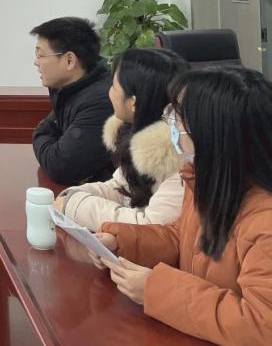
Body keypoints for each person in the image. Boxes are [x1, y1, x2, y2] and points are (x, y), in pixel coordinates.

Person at [93, 66, 272, 345]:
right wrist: (121, 241)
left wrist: (156, 290)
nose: (171, 127)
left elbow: (261, 325)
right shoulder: (205, 180)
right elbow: (182, 238)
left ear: (212, 135)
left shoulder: (264, 220)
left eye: (178, 119)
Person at [53, 48, 188, 230]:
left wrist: (76, 206)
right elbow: (120, 188)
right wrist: (71, 196)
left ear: (133, 102)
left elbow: (151, 227)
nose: (109, 92)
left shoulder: (182, 158)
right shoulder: (140, 140)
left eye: (114, 86)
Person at [30, 17, 114, 185]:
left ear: (69, 60)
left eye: (41, 55)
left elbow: (59, 166)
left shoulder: (101, 101)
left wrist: (42, 134)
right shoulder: (69, 88)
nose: (35, 62)